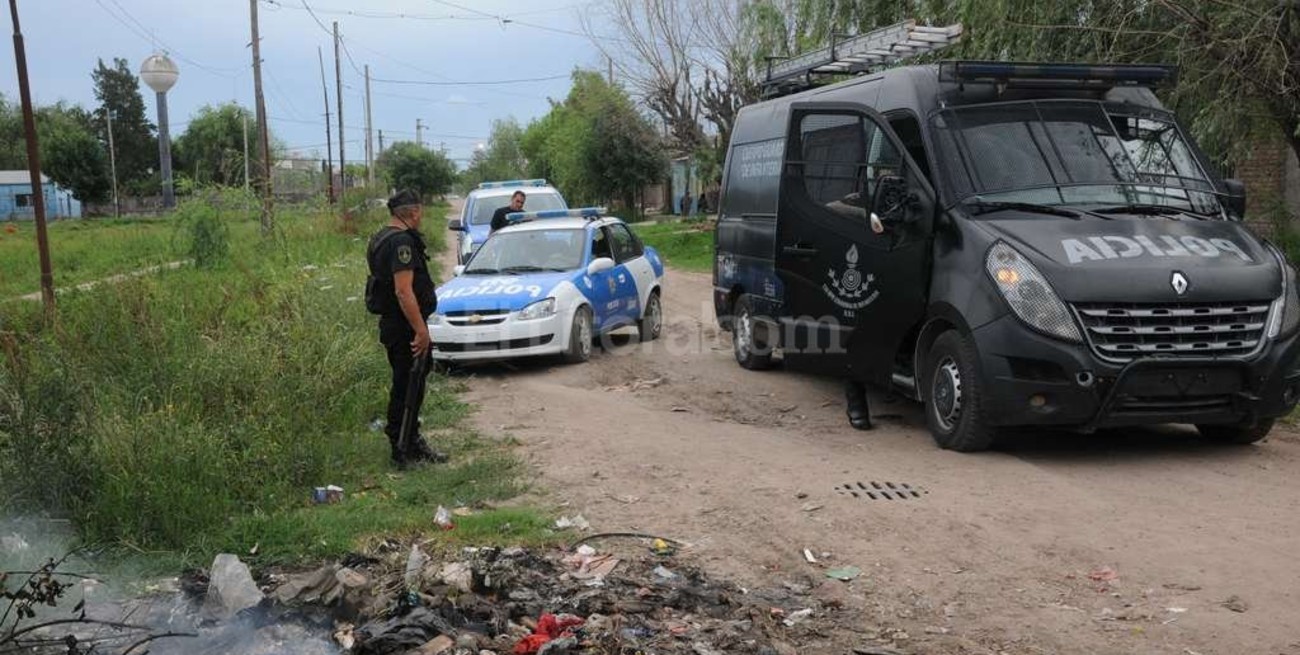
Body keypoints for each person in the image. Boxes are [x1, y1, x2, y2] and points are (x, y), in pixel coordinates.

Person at [365, 189, 447, 467]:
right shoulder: (401, 241)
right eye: (420, 211)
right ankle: (402, 447)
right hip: (404, 327)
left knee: (411, 383)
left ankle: (411, 440)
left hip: (396, 324)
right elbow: (403, 292)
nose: (421, 216)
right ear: (412, 212)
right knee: (407, 386)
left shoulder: (381, 237)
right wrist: (421, 330)